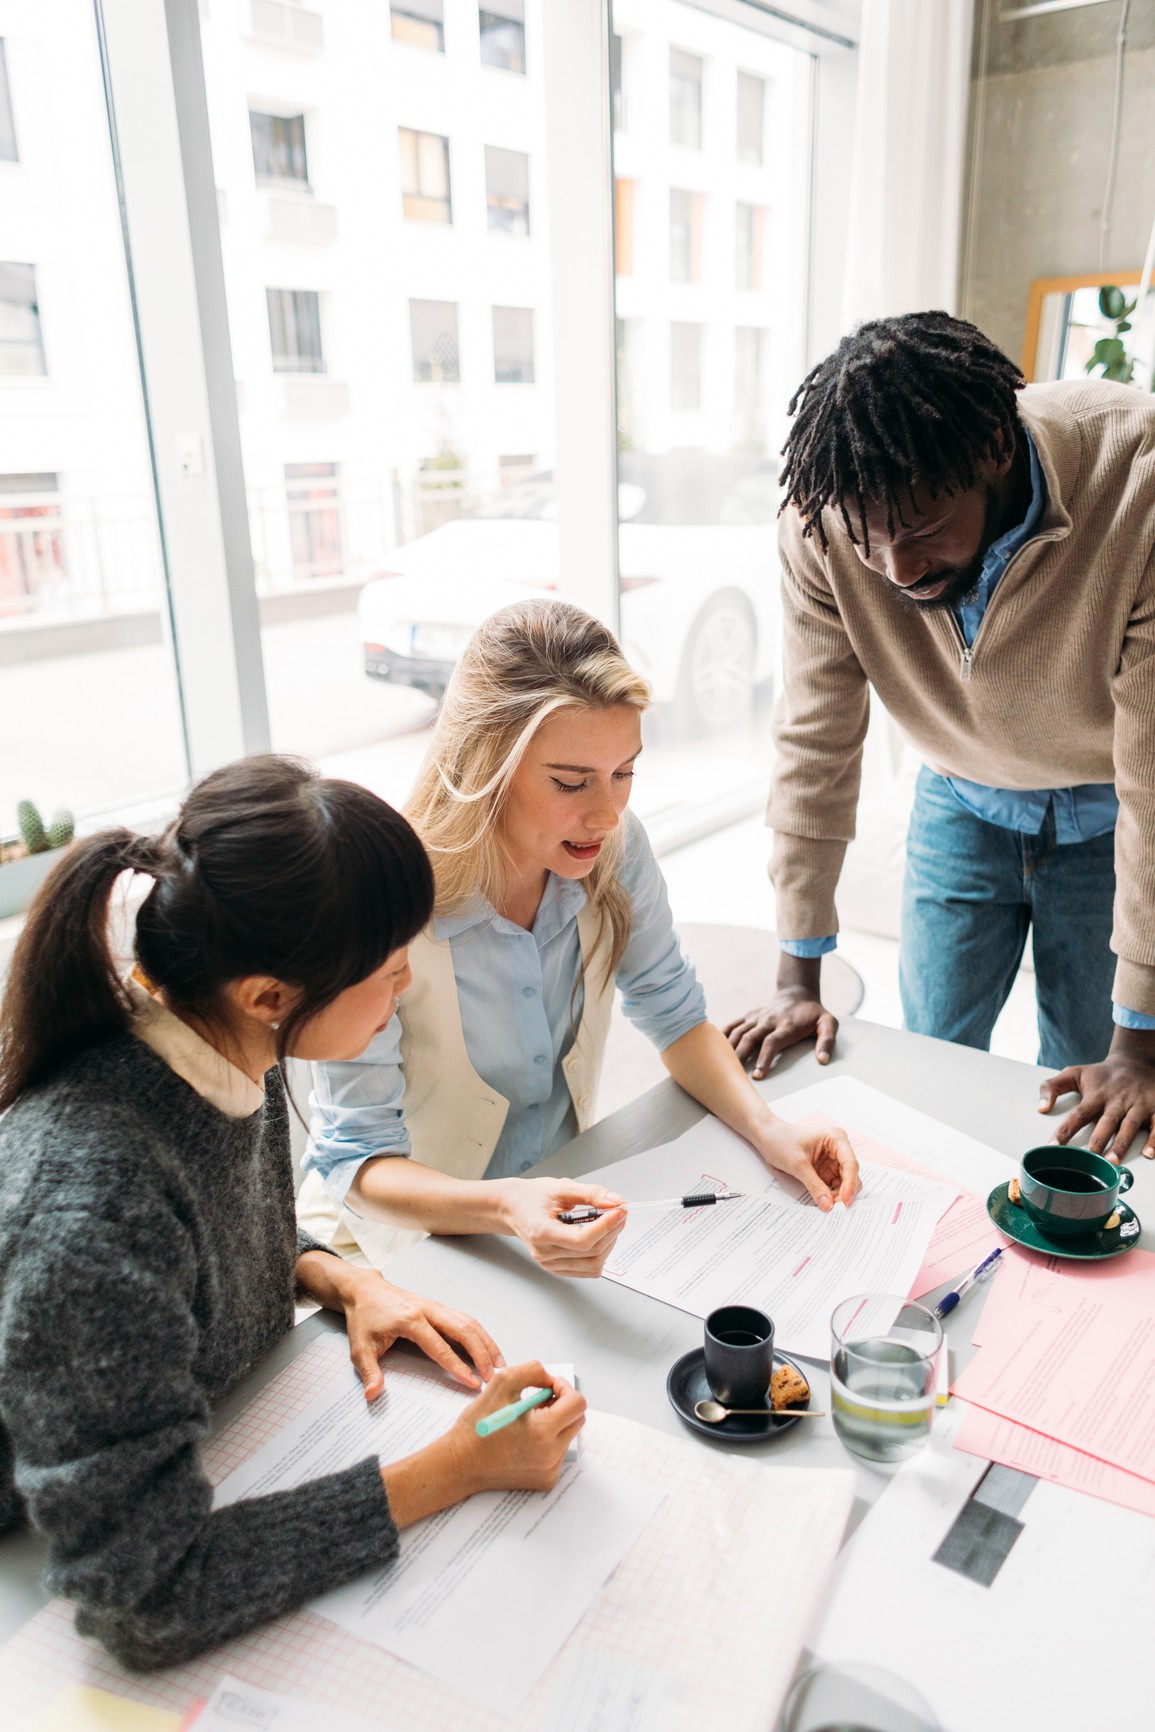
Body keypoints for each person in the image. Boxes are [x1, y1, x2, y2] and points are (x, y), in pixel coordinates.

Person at [0, 757, 584, 1671]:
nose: (406, 993)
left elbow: (204, 1234)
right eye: (391, 975)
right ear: (268, 994)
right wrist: (460, 1467)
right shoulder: (89, 1204)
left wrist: (335, 1273)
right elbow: (143, 1594)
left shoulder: (225, 1045)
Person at [297, 599, 858, 1275]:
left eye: (625, 772)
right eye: (570, 781)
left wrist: (773, 1132)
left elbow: (675, 1017)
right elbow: (357, 1159)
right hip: (397, 1250)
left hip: (551, 1221)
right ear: (485, 767)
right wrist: (507, 1207)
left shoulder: (614, 851)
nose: (606, 812)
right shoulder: (384, 893)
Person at [725, 310, 1155, 1162]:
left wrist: (1139, 1044)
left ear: (994, 446)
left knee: (1086, 1083)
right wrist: (794, 978)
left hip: (1110, 817)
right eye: (866, 539)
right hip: (958, 800)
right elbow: (814, 740)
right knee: (930, 1058)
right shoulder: (823, 519)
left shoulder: (1137, 484)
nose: (894, 569)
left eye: (919, 529)